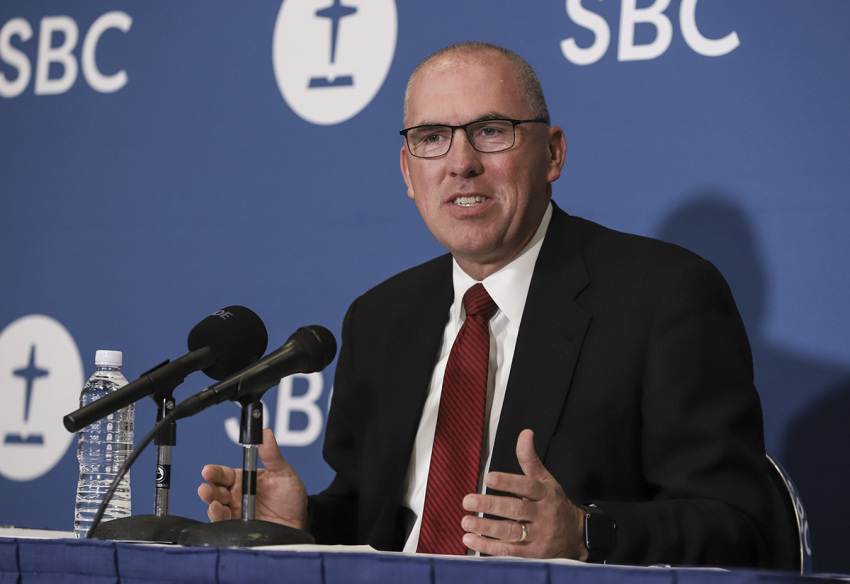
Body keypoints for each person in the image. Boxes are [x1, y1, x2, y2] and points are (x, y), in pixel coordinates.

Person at [199, 42, 789, 568]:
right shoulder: (381, 317)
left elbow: (743, 527)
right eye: (432, 138)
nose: (461, 163)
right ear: (409, 171)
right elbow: (374, 523)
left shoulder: (663, 295)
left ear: (553, 154)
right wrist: (301, 526)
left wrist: (586, 533)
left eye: (491, 130)